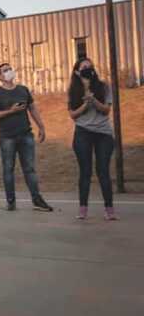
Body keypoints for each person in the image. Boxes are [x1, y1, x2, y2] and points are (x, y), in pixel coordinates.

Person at [0, 63, 53, 212]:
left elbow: (32, 108)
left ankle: (37, 200)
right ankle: (11, 201)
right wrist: (10, 111)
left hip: (26, 135)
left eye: (10, 69)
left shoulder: (23, 90)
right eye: (5, 70)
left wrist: (41, 126)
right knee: (8, 169)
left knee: (30, 169)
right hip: (7, 137)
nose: (9, 71)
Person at [67, 58, 118, 221]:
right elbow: (73, 115)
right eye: (84, 67)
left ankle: (109, 209)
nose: (88, 69)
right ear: (77, 72)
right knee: (85, 172)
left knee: (103, 171)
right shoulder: (73, 90)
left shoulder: (103, 86)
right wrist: (85, 104)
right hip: (83, 133)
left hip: (103, 134)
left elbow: (106, 110)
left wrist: (93, 99)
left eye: (90, 66)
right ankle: (83, 209)